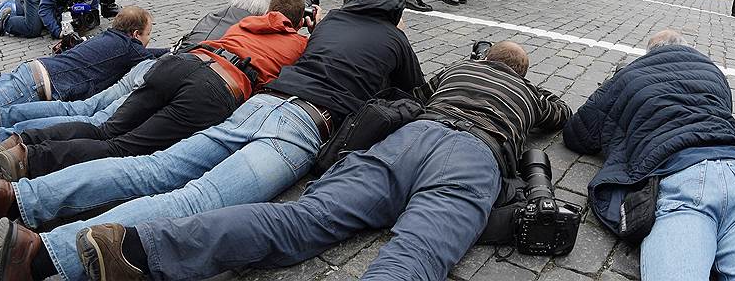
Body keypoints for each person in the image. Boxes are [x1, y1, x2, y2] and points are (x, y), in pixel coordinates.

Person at [0, 0, 424, 281]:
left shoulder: (330, 25)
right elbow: (415, 92)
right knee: (199, 198)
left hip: (259, 104)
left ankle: (19, 198)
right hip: (301, 123)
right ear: (394, 16)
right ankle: (41, 254)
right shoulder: (392, 39)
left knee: (150, 166)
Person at [71, 40, 571, 281]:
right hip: (471, 157)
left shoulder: (458, 70)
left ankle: (140, 249)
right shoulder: (528, 93)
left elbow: (421, 90)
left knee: (302, 218)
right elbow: (565, 117)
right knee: (416, 254)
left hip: (409, 139)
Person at [0, 0, 310, 183]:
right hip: (216, 88)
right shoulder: (298, 43)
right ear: (298, 22)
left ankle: (22, 143)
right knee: (122, 147)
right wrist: (309, 26)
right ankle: (31, 161)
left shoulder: (247, 22)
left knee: (104, 129)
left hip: (180, 64)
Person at [563, 30, 735, 281]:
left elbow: (578, 133)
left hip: (682, 173)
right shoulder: (713, 72)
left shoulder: (630, 73)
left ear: (650, 52)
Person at [0, 6, 165, 138]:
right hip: (31, 88)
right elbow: (155, 58)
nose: (148, 40)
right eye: (149, 34)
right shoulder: (131, 49)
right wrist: (173, 50)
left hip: (27, 72)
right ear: (136, 35)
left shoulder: (108, 37)